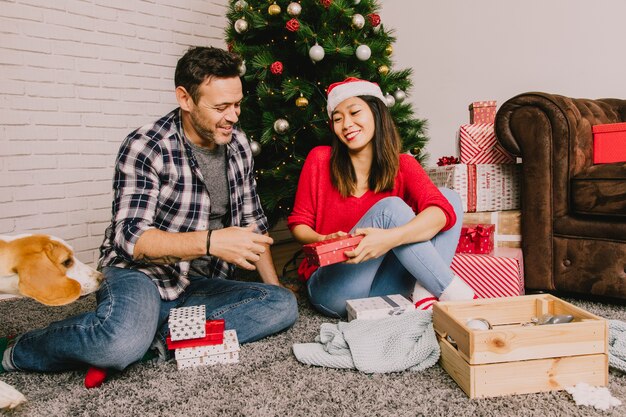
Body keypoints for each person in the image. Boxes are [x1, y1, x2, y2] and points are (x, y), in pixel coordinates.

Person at [1, 46, 297, 377]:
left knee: (282, 305)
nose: (233, 116)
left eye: (237, 104)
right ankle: (24, 347)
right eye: (221, 107)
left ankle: (154, 336)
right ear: (185, 99)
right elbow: (132, 239)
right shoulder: (146, 146)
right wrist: (211, 241)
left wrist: (274, 286)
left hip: (200, 283)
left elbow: (252, 224)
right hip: (141, 274)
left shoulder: (238, 143)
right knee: (118, 345)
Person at [287, 77, 475, 318]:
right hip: (333, 287)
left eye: (355, 112)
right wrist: (323, 238)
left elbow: (441, 214)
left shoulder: (403, 164)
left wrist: (388, 240)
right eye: (337, 118)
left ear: (377, 113)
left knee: (448, 198)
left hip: (385, 290)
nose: (346, 124)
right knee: (391, 209)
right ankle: (457, 296)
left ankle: (424, 292)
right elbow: (298, 224)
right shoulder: (320, 159)